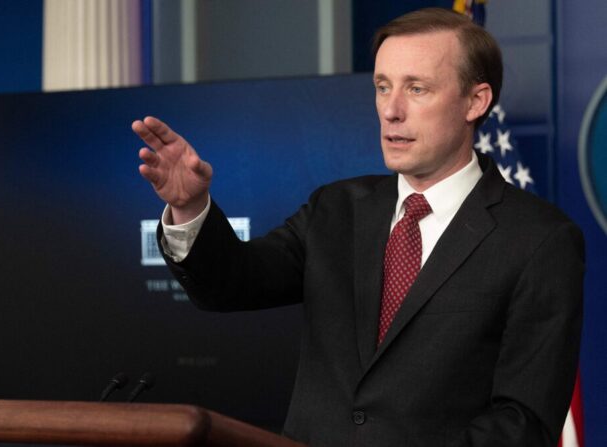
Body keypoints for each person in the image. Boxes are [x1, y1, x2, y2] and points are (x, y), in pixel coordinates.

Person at [132, 8, 583, 447]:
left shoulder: (540, 241)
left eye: (417, 89)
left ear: (475, 101)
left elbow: (522, 422)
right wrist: (191, 206)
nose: (391, 110)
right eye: (382, 87)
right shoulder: (337, 209)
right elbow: (230, 284)